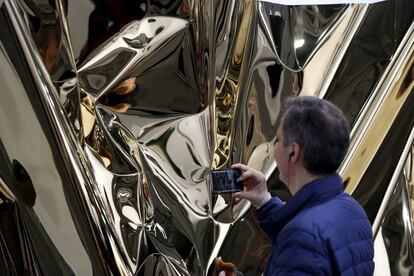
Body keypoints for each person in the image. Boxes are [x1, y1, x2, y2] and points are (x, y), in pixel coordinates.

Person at [232, 96, 374, 275]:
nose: (274, 149)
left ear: (293, 152)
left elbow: (305, 241)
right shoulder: (353, 210)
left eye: (277, 141)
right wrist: (264, 200)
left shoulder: (303, 237)